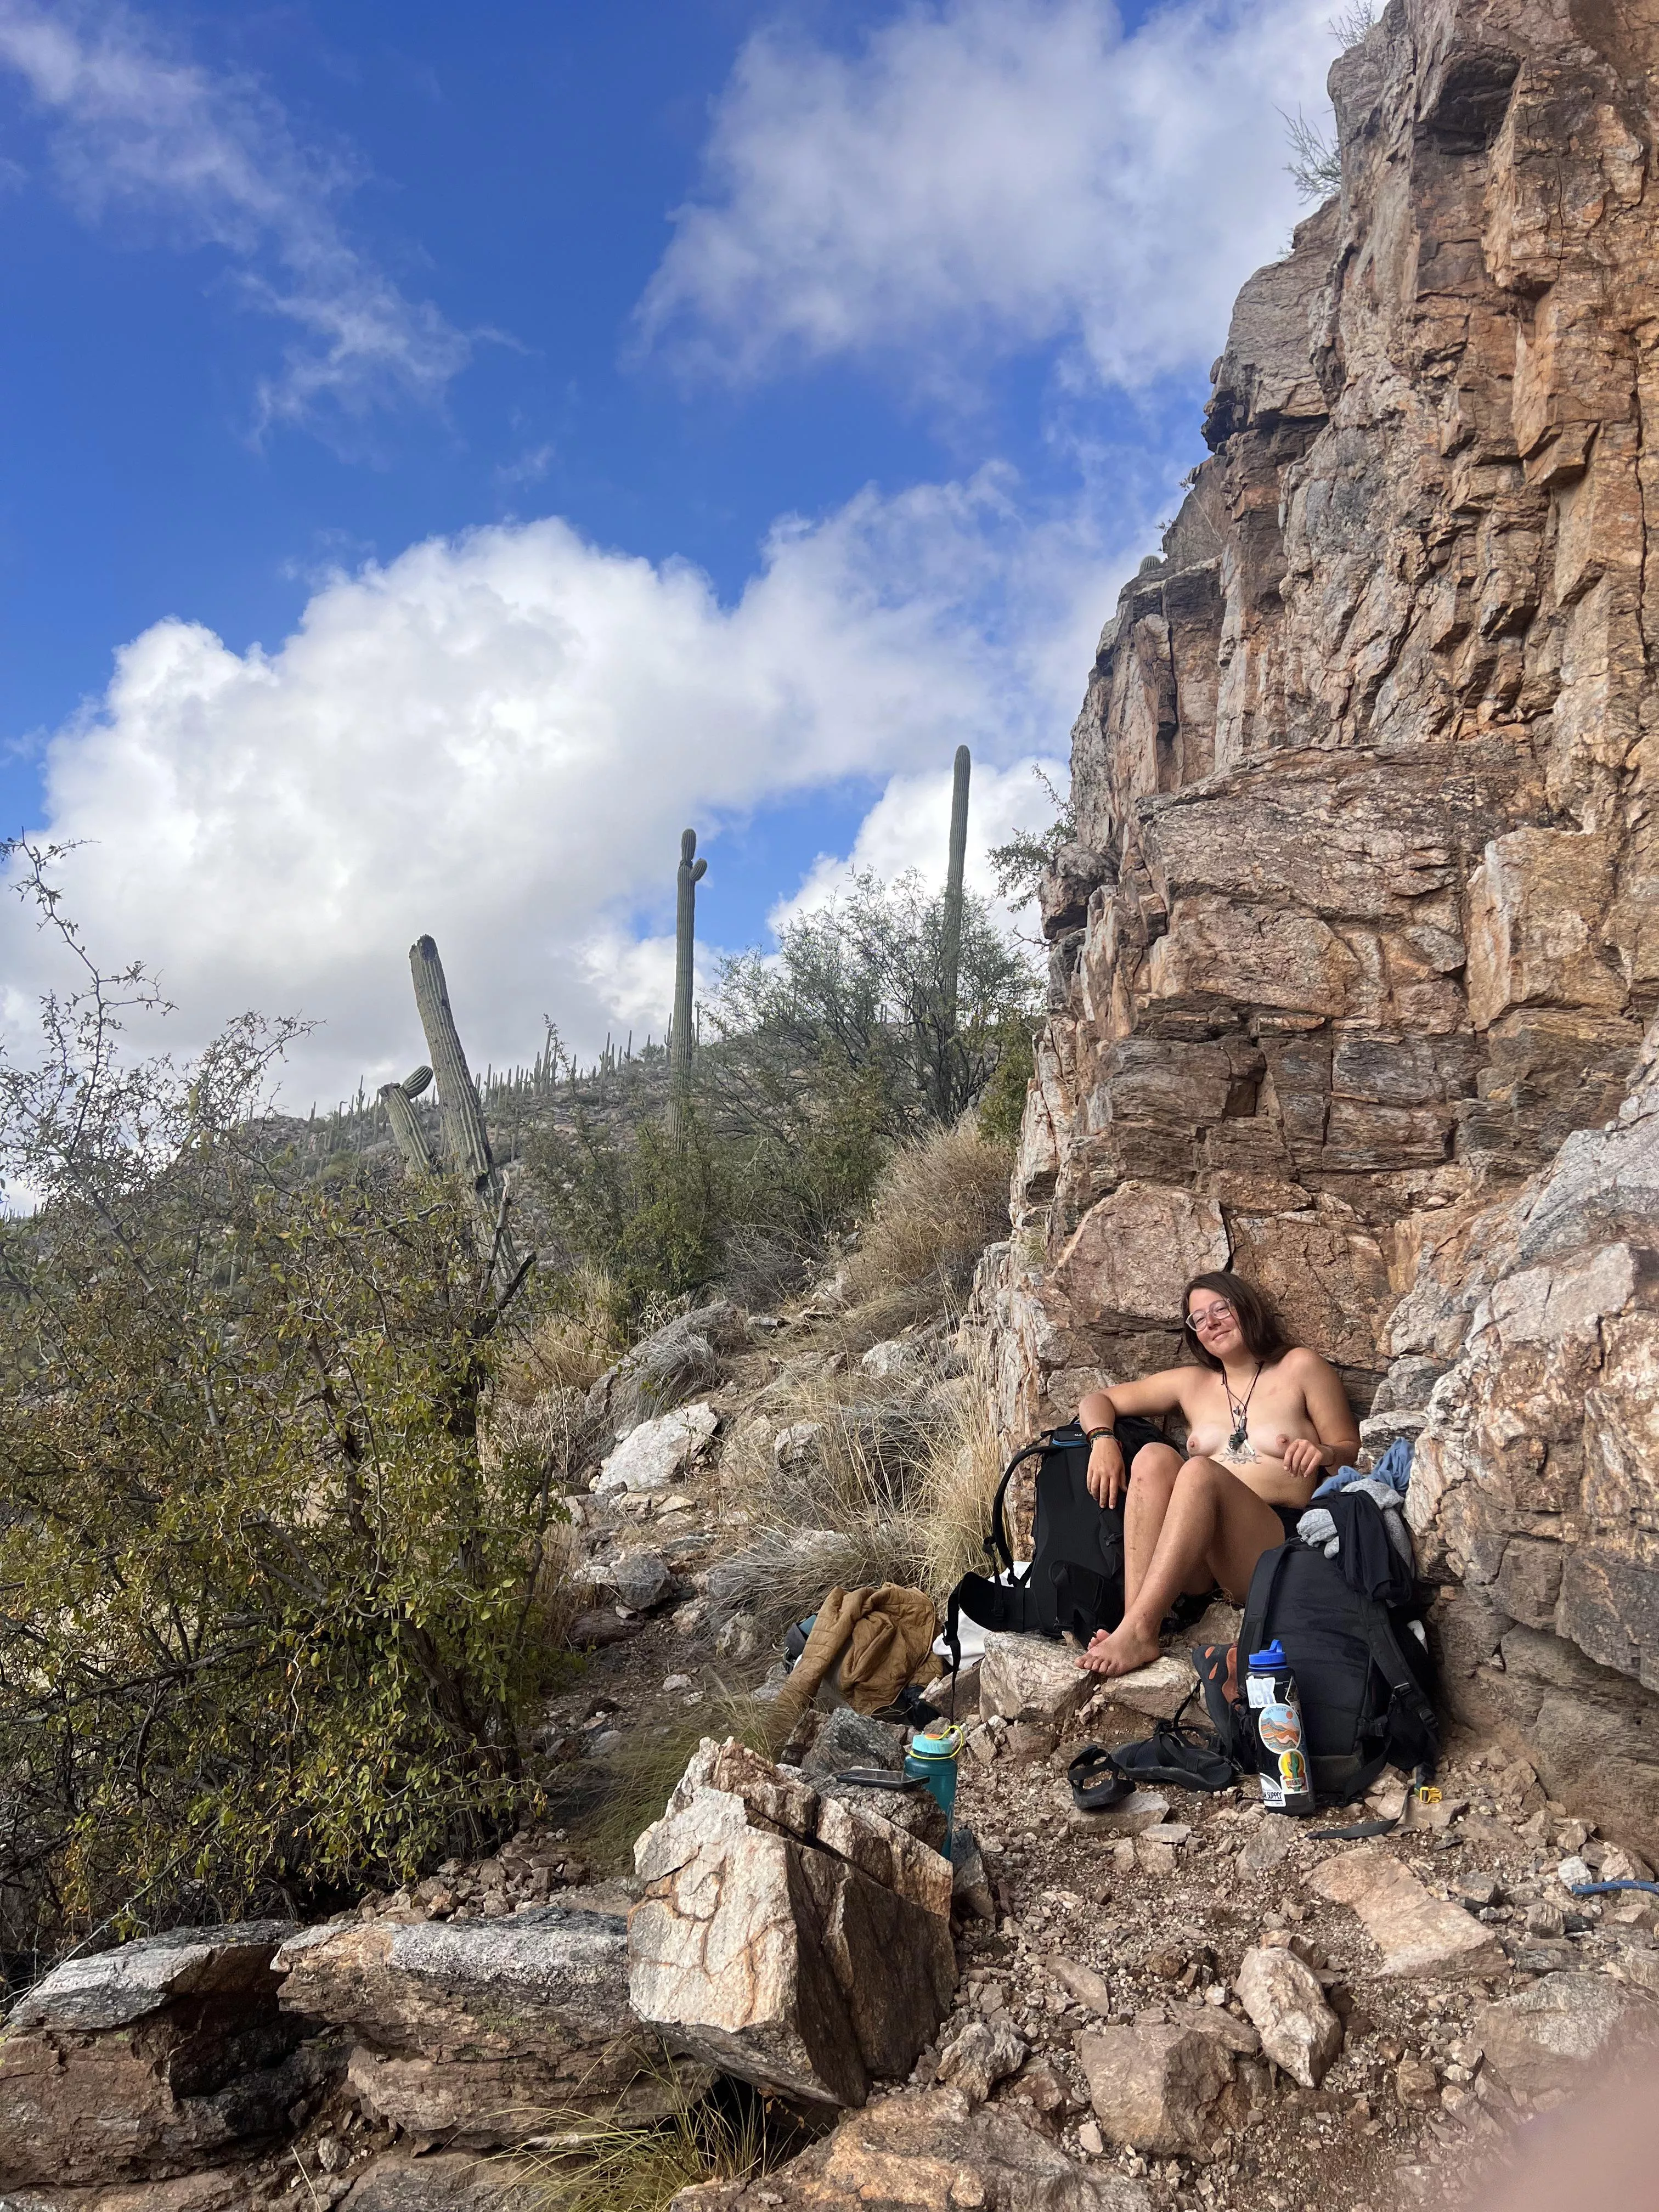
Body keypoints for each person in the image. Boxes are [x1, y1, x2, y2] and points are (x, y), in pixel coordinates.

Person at [1072, 1269, 1359, 1679]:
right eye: (1198, 1319)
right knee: (1154, 1456)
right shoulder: (1192, 1384)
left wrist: (1324, 1451)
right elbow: (1096, 1400)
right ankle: (1135, 1623)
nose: (1211, 1322)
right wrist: (1102, 1439)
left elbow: (1350, 1450)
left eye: (1220, 1309)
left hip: (1270, 1546)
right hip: (1198, 1557)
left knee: (1199, 1472)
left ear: (1245, 1308)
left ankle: (1139, 1628)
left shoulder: (1299, 1367)